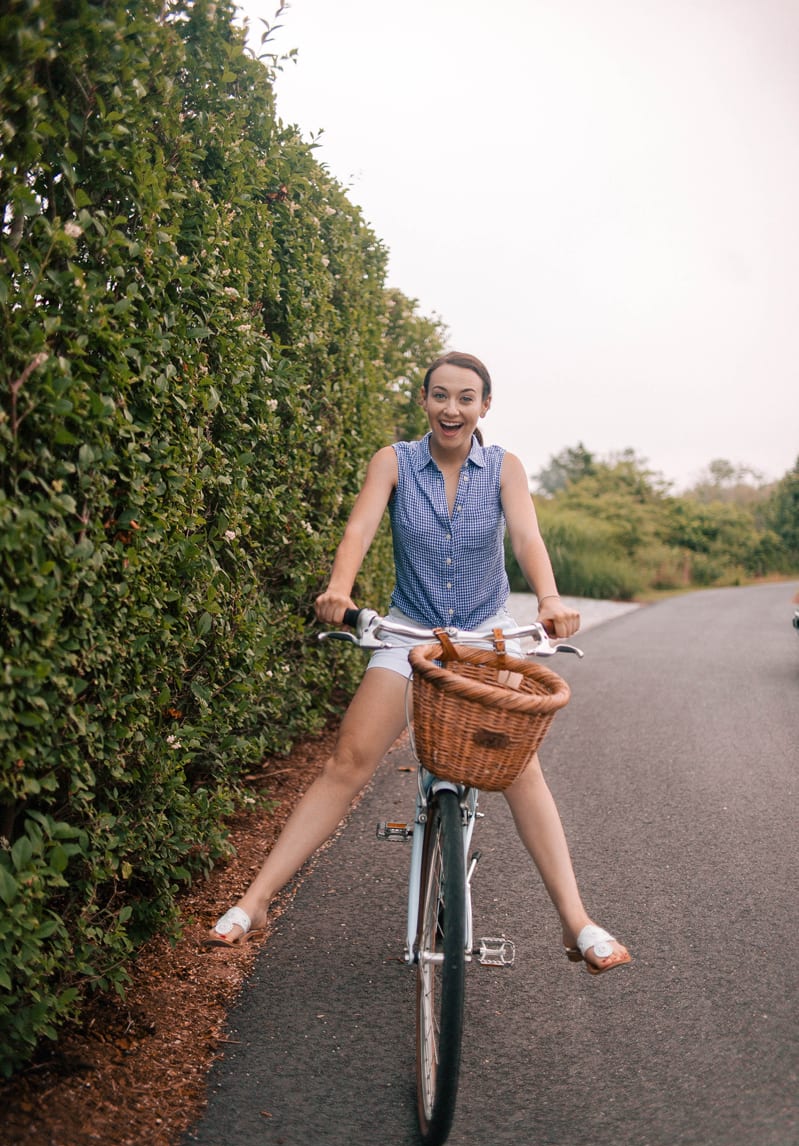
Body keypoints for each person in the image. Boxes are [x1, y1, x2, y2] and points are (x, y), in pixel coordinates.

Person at [206, 351, 631, 975]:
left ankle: (575, 921)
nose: (450, 408)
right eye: (439, 395)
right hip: (408, 634)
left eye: (465, 398)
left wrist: (548, 598)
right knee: (347, 761)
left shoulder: (505, 468)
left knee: (519, 769)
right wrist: (340, 589)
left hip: (487, 641)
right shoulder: (394, 461)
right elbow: (360, 528)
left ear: (484, 406)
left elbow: (527, 538)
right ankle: (257, 900)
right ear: (424, 401)